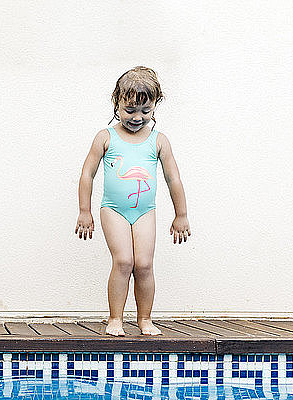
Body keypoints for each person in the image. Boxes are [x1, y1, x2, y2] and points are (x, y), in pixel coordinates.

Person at [75, 66, 191, 336]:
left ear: (155, 107)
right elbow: (87, 174)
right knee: (124, 261)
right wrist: (84, 211)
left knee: (144, 264)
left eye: (145, 111)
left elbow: (174, 179)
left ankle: (145, 319)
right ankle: (115, 318)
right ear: (116, 102)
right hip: (113, 210)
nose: (137, 118)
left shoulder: (158, 141)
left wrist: (181, 214)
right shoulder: (106, 137)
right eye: (130, 110)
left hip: (145, 211)